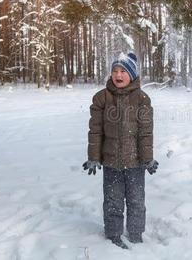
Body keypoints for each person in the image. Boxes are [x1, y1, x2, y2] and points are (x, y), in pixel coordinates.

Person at [82, 52, 159, 248]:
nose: (118, 74)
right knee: (112, 202)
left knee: (136, 202)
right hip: (111, 163)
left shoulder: (141, 99)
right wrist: (93, 157)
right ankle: (113, 235)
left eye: (123, 70)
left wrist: (147, 158)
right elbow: (96, 131)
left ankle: (135, 234)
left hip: (135, 163)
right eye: (115, 70)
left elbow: (145, 133)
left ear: (132, 74)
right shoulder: (102, 98)